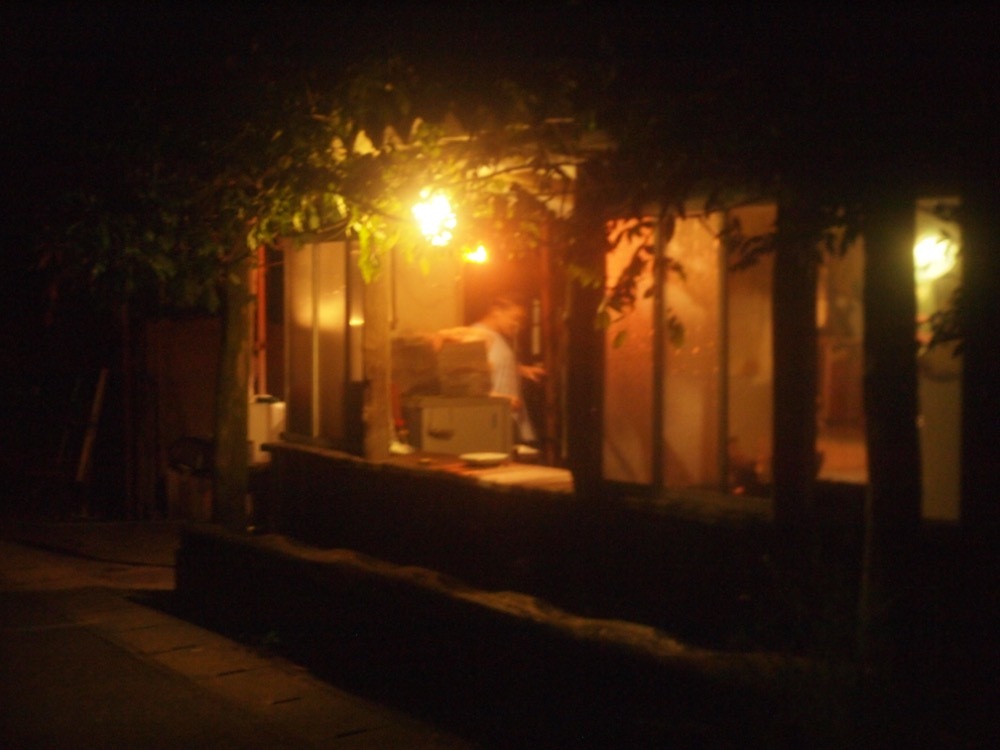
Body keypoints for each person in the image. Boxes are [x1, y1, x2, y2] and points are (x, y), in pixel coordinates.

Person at [472, 296, 544, 445]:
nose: (518, 325)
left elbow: (492, 366)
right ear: (496, 311)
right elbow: (466, 383)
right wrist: (501, 400)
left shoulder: (498, 337)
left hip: (509, 424)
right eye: (515, 318)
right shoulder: (476, 335)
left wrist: (521, 370)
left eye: (521, 321)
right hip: (493, 424)